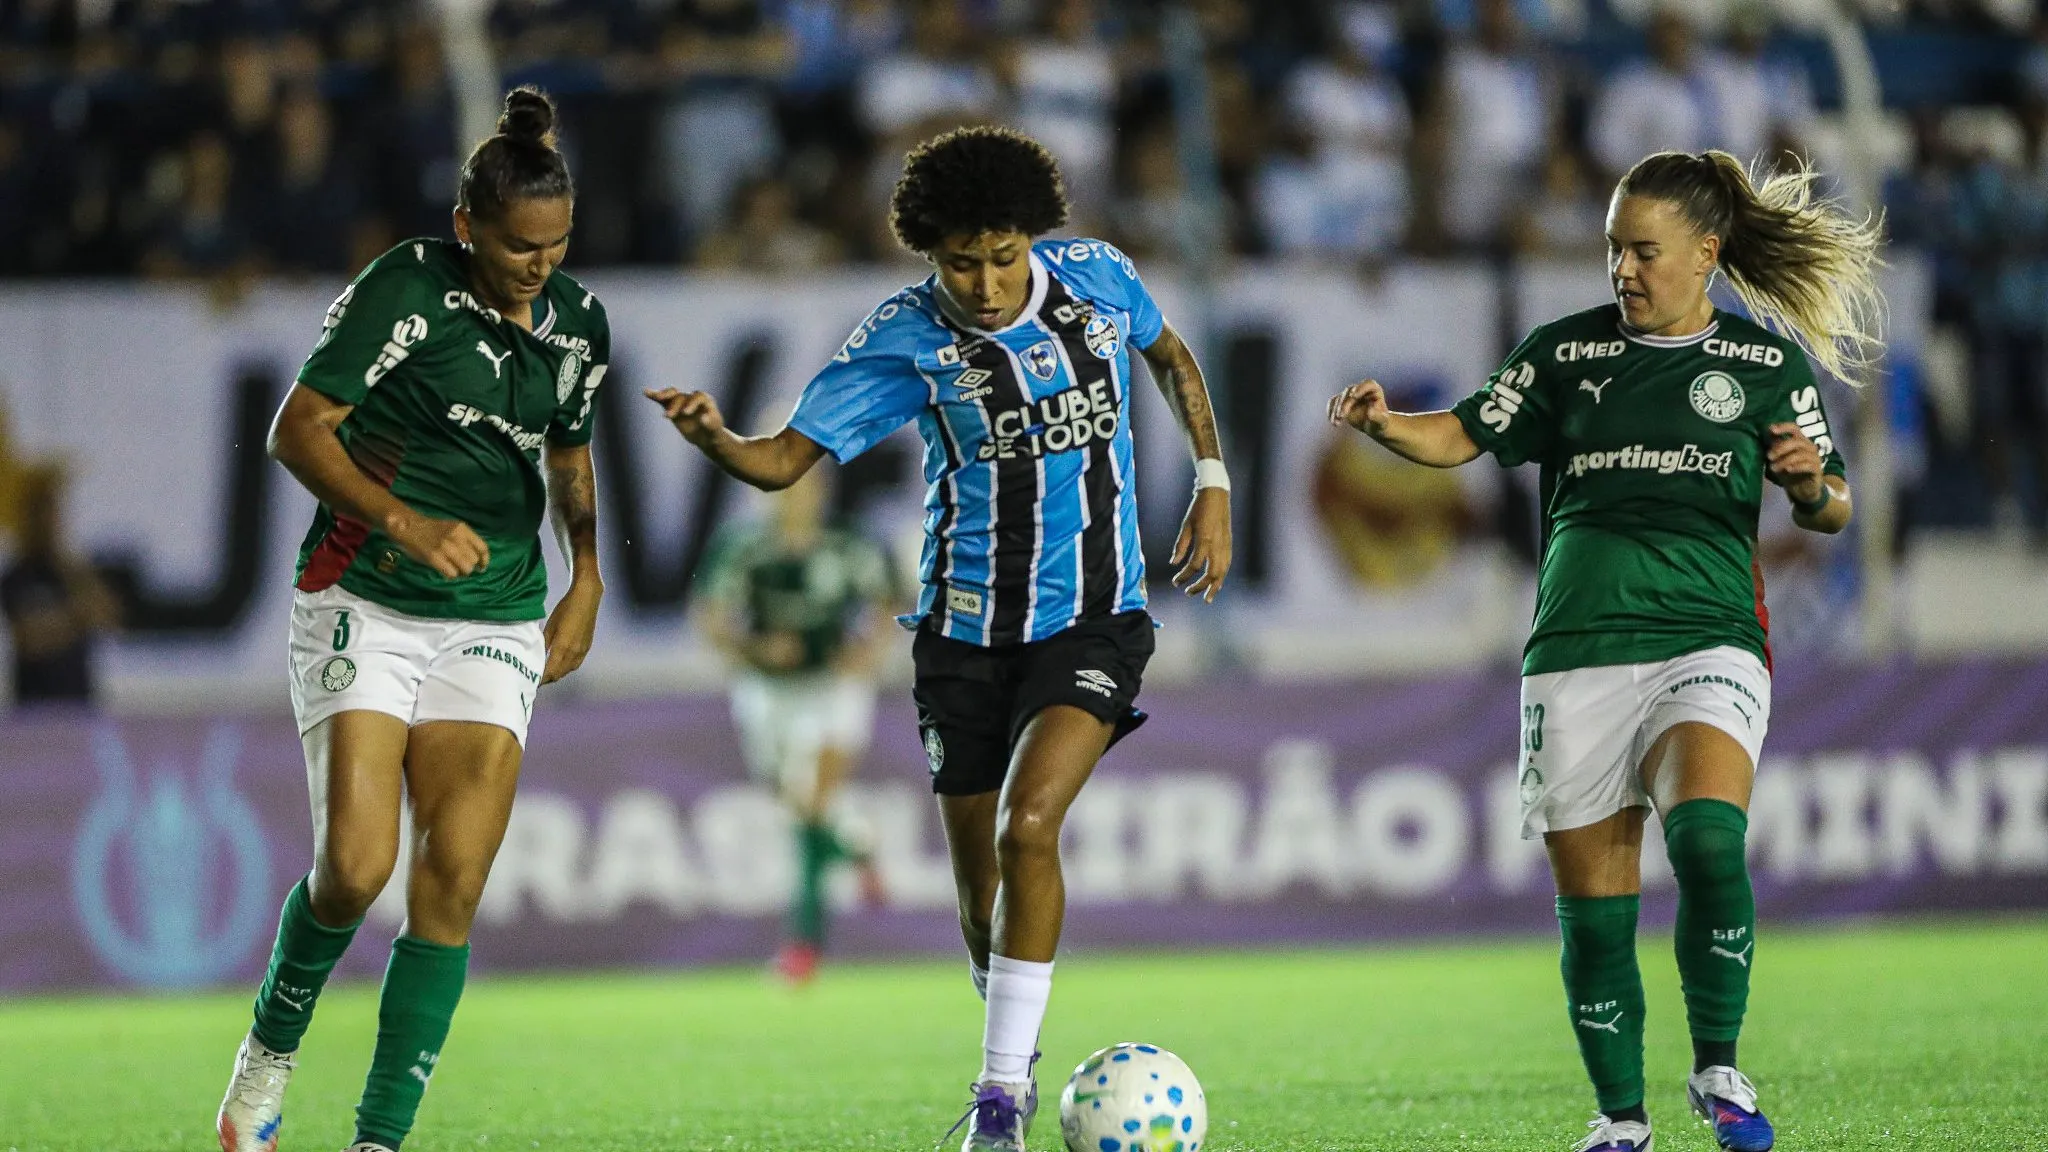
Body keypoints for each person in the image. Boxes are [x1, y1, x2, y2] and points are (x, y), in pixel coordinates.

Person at [647, 125, 1231, 1152]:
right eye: (963, 261)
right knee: (979, 904)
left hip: (1093, 616)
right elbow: (786, 461)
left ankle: (998, 1100)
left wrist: (1212, 482)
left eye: (1004, 255)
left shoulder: (1096, 279)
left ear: (1031, 238)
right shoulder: (903, 335)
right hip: (960, 638)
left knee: (1028, 826)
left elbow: (1172, 357)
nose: (988, 281)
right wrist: (718, 442)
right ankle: (1014, 1050)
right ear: (929, 253)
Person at [1329, 149, 1881, 1152]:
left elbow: (1835, 505)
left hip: (1703, 636)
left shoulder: (1761, 366)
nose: (1621, 270)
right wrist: (1382, 427)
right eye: (1611, 250)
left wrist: (1804, 485)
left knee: (1709, 840)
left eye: (1643, 251)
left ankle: (1716, 1065)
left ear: (1705, 254)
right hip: (1575, 650)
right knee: (1593, 910)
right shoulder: (1562, 354)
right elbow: (1460, 434)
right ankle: (1619, 1121)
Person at [216, 86, 608, 1152]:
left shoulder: (577, 323)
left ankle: (378, 1137)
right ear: (467, 227)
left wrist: (587, 578)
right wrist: (404, 518)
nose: (541, 266)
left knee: (456, 874)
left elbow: (568, 457)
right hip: (366, 595)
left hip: (495, 611)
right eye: (521, 246)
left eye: (558, 244)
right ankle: (267, 1058)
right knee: (353, 867)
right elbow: (296, 432)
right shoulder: (405, 290)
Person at [693, 468, 900, 982]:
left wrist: (868, 652)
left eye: (798, 482)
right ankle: (855, 841)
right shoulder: (743, 546)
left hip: (832, 684)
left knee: (810, 802)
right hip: (767, 690)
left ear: (819, 487)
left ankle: (802, 946)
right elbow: (711, 616)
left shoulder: (848, 541)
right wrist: (754, 649)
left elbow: (886, 600)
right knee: (801, 803)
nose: (788, 493)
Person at [1, 463, 121, 707]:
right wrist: (77, 617)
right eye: (41, 512)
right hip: (35, 708)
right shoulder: (17, 576)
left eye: (54, 511)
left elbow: (107, 616)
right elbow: (29, 638)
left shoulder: (72, 571)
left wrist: (67, 565)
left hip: (80, 705)